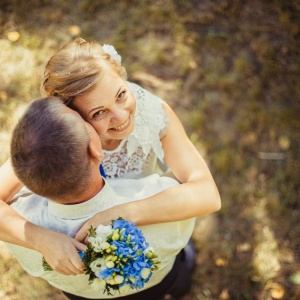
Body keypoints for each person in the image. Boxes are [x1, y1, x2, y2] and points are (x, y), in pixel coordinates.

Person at [0, 38, 221, 274]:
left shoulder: (155, 114)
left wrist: (123, 213)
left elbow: (208, 194)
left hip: (149, 207)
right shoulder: (59, 138)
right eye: (98, 112)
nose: (121, 116)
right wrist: (42, 239)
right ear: (73, 116)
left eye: (121, 94)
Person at [6, 97, 196, 299]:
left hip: (81, 295)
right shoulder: (158, 193)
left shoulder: (19, 223)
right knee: (180, 274)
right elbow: (186, 220)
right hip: (158, 281)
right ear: (96, 150)